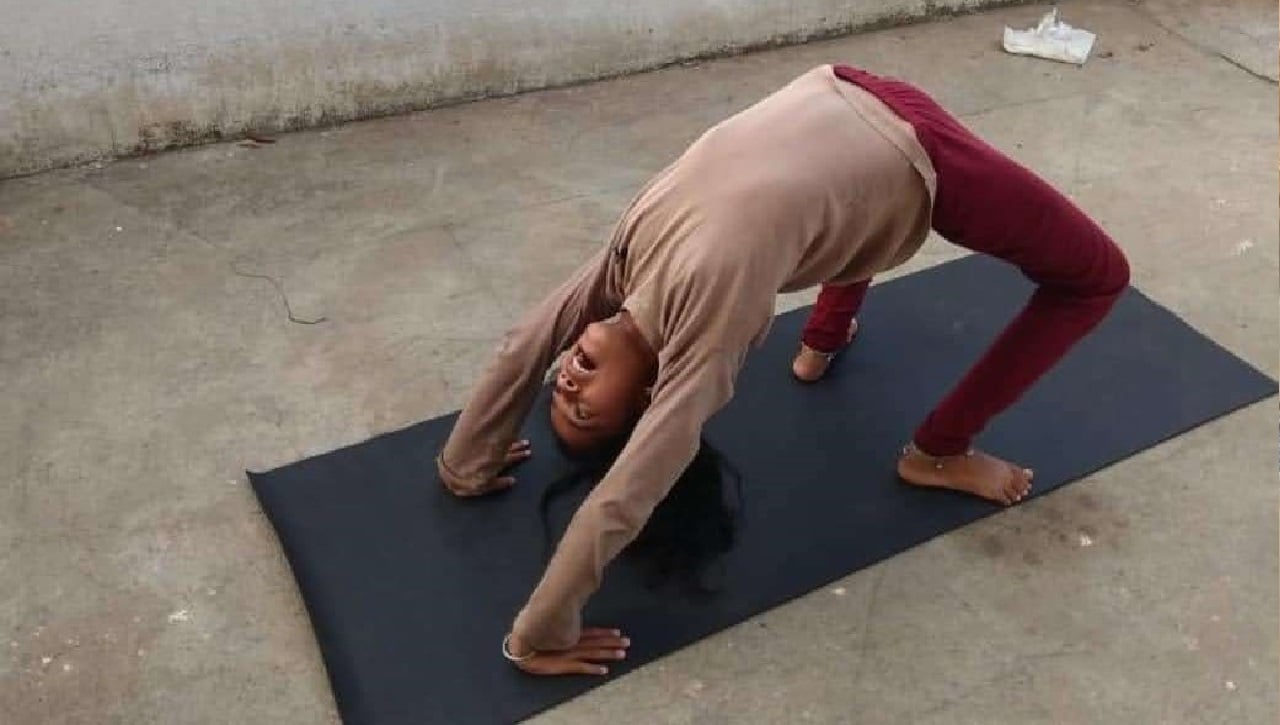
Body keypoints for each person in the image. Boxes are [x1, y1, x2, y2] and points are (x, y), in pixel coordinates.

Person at [434, 64, 1130, 676]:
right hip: (919, 156)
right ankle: (938, 452)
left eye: (562, 395)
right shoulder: (708, 327)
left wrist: (469, 460)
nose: (568, 383)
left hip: (848, 95)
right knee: (1098, 275)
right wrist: (539, 633)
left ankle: (824, 340)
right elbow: (632, 482)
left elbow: (529, 338)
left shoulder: (631, 258)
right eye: (585, 411)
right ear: (651, 394)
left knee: (827, 217)